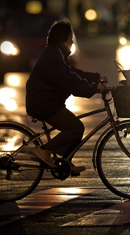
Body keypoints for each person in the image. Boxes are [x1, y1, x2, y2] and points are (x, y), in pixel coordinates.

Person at [26, 20, 108, 174]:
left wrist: (95, 78)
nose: (71, 41)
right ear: (62, 38)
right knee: (75, 127)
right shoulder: (54, 56)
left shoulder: (56, 53)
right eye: (70, 38)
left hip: (47, 101)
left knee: (74, 127)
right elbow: (71, 82)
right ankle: (44, 150)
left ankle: (66, 163)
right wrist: (93, 88)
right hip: (44, 104)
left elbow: (72, 73)